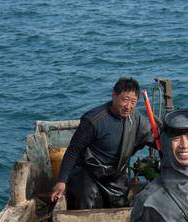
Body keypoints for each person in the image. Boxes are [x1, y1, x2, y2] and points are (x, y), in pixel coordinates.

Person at [50, 77, 154, 209]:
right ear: (114, 95)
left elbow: (152, 138)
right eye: (125, 100)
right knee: (87, 207)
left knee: (121, 208)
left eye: (133, 102)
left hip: (115, 175)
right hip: (89, 173)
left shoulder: (136, 119)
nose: (129, 106)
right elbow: (73, 150)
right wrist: (61, 180)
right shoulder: (93, 120)